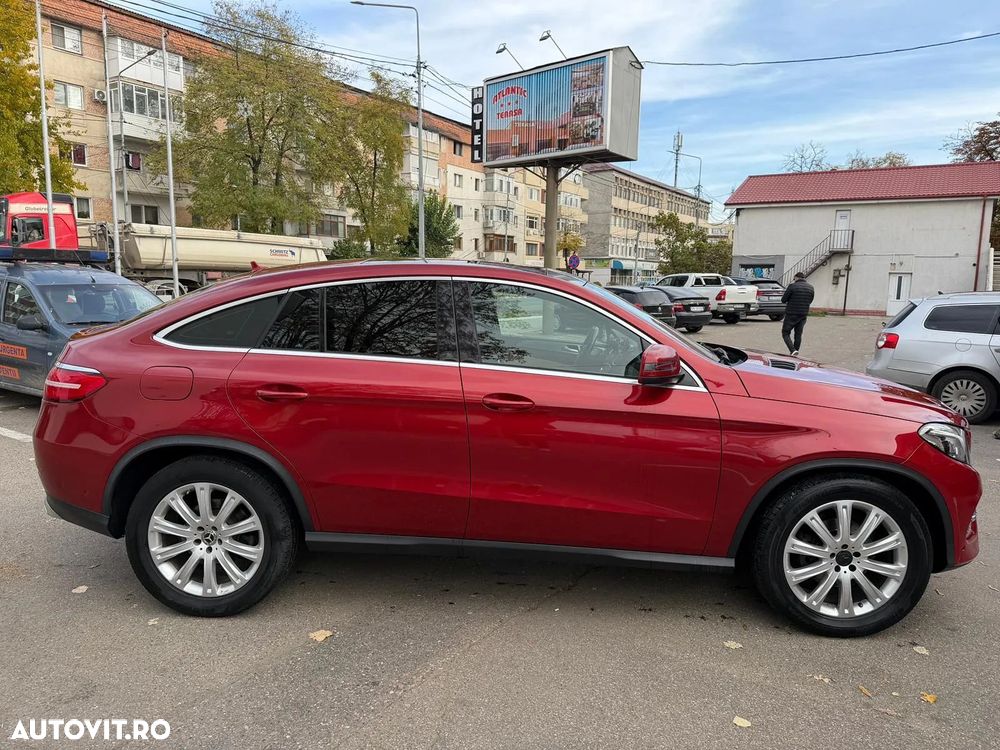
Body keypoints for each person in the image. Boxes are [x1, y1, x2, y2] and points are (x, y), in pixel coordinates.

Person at [781, 272, 814, 356]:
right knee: (798, 334)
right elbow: (810, 300)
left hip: (791, 313)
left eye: (794, 278)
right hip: (803, 314)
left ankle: (792, 350)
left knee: (785, 332)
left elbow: (783, 300)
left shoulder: (792, 286)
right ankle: (795, 352)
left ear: (796, 277)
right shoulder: (811, 288)